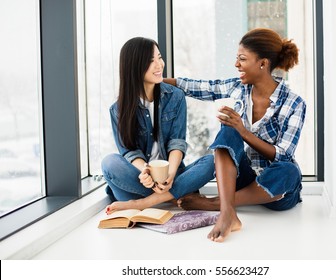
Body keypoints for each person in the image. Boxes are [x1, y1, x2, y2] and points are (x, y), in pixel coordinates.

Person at [164, 28, 306, 242]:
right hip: (243, 179)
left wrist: (244, 132)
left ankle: (218, 204)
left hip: (278, 193)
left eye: (242, 59)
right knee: (227, 127)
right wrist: (156, 80)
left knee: (290, 171)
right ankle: (228, 212)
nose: (236, 64)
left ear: (263, 63)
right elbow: (197, 87)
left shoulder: (294, 103)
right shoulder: (236, 88)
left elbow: (282, 156)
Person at [101, 37, 214, 215]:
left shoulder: (175, 97)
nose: (159, 65)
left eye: (159, 57)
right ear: (134, 66)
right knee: (109, 163)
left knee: (212, 161)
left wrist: (170, 173)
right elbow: (128, 152)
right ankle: (174, 195)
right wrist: (145, 171)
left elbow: (177, 141)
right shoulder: (117, 110)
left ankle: (143, 203)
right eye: (150, 61)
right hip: (140, 181)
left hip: (170, 177)